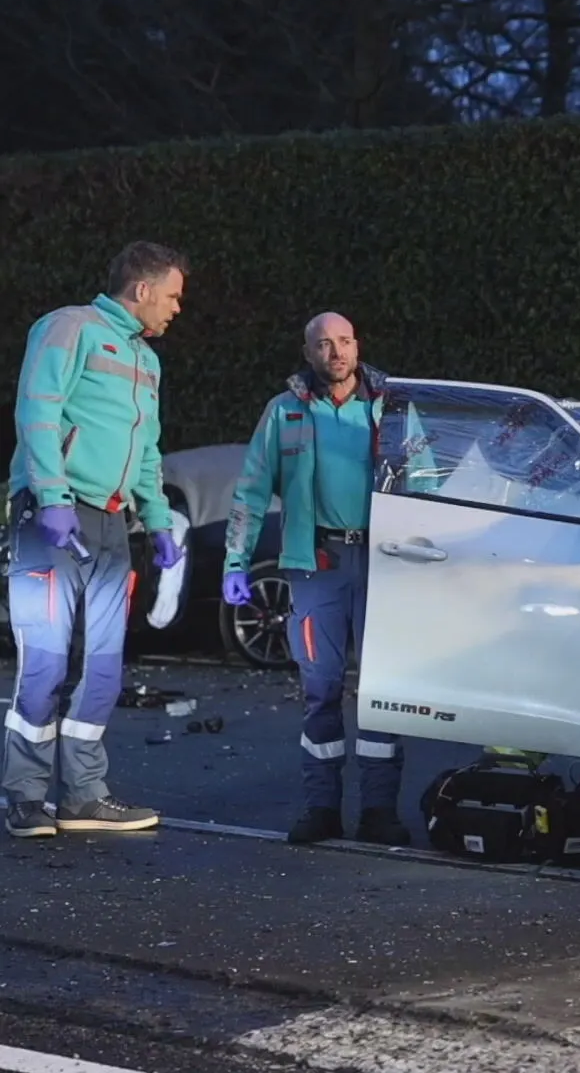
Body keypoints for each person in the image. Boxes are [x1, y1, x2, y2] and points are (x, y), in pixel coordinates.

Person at [4, 242, 186, 839]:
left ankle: (83, 795)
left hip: (111, 525)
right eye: (173, 295)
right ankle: (25, 797)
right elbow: (37, 410)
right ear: (142, 290)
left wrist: (157, 520)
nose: (177, 308)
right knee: (46, 664)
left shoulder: (147, 361)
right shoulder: (69, 327)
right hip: (54, 520)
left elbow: (148, 450)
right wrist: (52, 498)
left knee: (104, 668)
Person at [223, 312, 409, 846]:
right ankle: (321, 808)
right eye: (324, 345)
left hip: (384, 563)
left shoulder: (392, 410)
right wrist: (236, 564)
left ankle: (379, 812)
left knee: (383, 693)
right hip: (317, 565)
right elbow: (251, 493)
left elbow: (427, 481)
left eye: (345, 341)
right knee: (320, 693)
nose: (337, 352)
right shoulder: (284, 414)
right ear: (308, 354)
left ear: (358, 345)